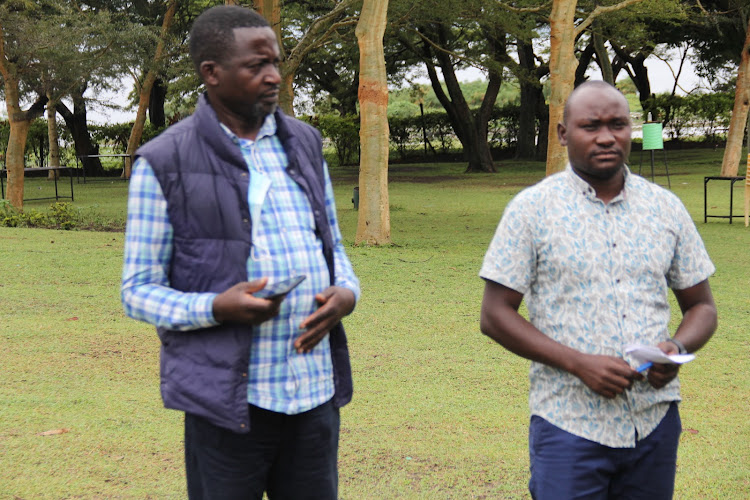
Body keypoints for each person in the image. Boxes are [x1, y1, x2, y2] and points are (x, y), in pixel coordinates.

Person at [121, 5, 359, 499]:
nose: (274, 76)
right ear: (212, 73)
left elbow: (333, 245)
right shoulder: (165, 161)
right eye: (256, 66)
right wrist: (215, 307)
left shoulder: (306, 144)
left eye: (274, 61)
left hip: (313, 395)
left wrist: (348, 293)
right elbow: (137, 292)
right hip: (229, 404)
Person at [479, 81, 717, 499]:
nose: (607, 137)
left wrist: (675, 348)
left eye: (618, 124)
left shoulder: (665, 208)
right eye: (591, 126)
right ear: (563, 133)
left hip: (654, 421)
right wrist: (578, 363)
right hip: (568, 424)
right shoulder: (532, 210)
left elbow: (702, 307)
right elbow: (495, 315)